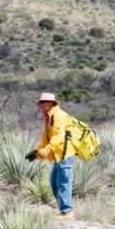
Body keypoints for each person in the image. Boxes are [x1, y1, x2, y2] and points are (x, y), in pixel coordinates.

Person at [26, 92, 76, 220]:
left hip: (64, 154)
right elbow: (46, 141)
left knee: (63, 183)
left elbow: (58, 137)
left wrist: (45, 150)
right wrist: (36, 153)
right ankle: (63, 211)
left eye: (43, 102)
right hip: (58, 155)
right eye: (40, 103)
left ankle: (67, 212)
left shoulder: (58, 115)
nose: (41, 105)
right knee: (54, 182)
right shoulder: (49, 117)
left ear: (50, 103)